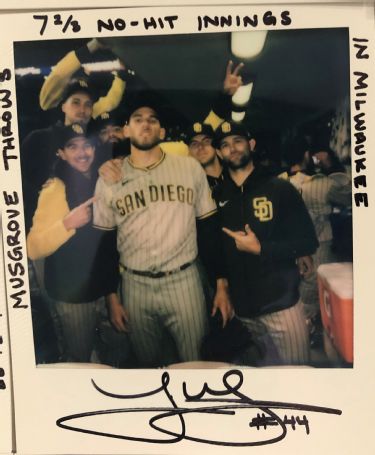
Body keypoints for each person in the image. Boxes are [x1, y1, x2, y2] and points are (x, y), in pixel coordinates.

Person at [93, 96, 233, 368]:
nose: (145, 124)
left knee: (195, 362)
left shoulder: (189, 167)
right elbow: (105, 243)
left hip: (184, 280)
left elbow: (208, 228)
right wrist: (112, 297)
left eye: (152, 120)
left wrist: (221, 283)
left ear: (162, 132)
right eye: (138, 119)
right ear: (126, 130)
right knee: (148, 365)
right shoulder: (109, 177)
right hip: (134, 285)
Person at [212, 121, 319, 365]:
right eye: (225, 145)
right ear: (220, 153)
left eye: (238, 141)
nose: (233, 148)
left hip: (281, 306)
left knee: (297, 379)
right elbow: (217, 247)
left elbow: (306, 242)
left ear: (251, 144)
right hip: (243, 312)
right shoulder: (217, 196)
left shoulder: (280, 188)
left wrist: (261, 249)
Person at [26, 124, 129, 365]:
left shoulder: (101, 179)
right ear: (61, 153)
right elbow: (33, 247)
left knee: (119, 351)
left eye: (87, 145)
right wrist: (67, 224)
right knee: (79, 360)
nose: (82, 153)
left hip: (107, 288)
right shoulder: (55, 189)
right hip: (74, 298)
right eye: (73, 147)